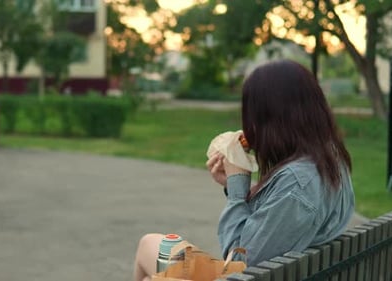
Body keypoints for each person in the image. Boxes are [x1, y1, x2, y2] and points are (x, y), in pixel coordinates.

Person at [133, 59, 355, 281]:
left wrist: (238, 189)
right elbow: (278, 220)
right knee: (150, 243)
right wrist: (235, 185)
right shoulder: (329, 157)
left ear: (270, 119)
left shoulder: (297, 183)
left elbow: (240, 264)